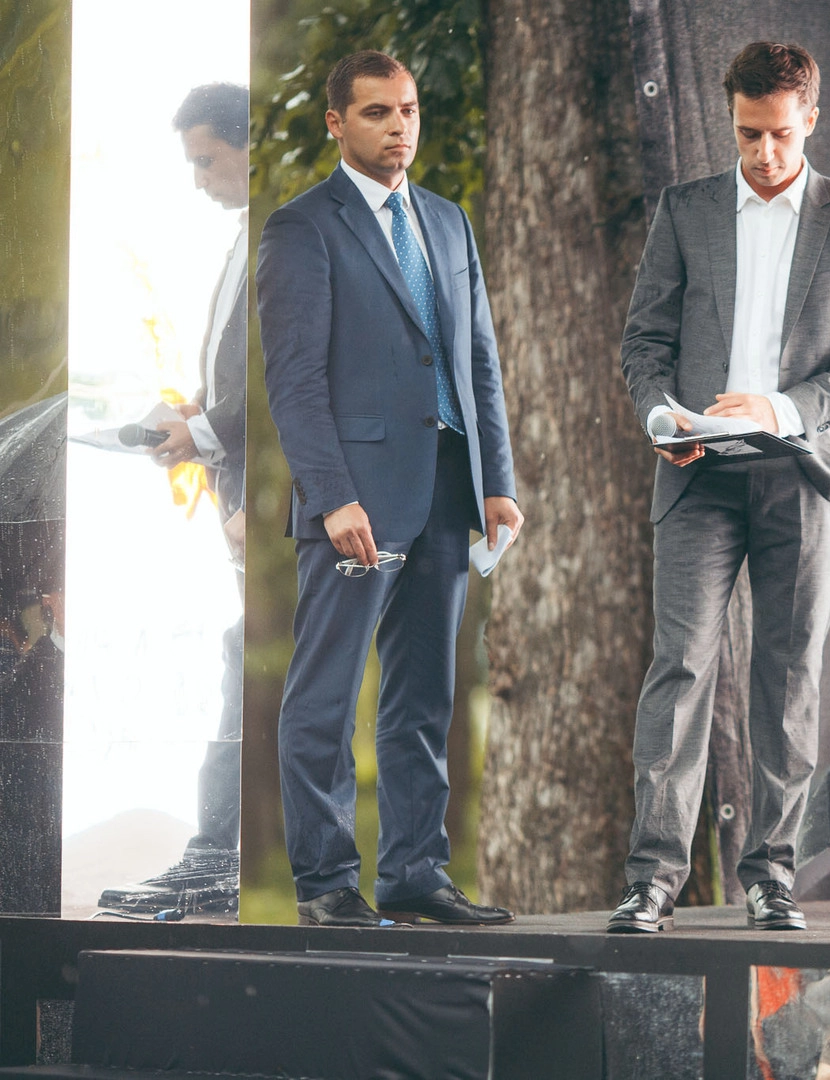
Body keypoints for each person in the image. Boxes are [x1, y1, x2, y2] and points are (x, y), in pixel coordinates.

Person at [611, 41, 830, 933]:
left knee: (788, 676)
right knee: (680, 668)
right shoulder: (686, 209)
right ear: (731, 120)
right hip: (697, 472)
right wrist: (659, 416)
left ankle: (773, 875)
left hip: (804, 472)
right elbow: (645, 342)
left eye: (780, 133)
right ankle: (653, 879)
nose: (764, 152)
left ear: (810, 118)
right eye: (747, 133)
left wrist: (782, 408)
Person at [257, 50, 524, 927]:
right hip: (355, 504)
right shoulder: (302, 228)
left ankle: (415, 874)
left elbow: (478, 360)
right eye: (377, 112)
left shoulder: (447, 221)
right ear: (337, 123)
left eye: (407, 109)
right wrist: (331, 495)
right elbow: (295, 382)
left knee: (424, 699)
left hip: (447, 491)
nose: (399, 125)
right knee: (326, 698)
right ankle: (326, 883)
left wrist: (496, 479)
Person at [98, 83, 250, 916]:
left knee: (250, 661)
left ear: (249, 146)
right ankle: (220, 857)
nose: (198, 180)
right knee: (252, 663)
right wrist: (195, 417)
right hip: (245, 497)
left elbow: (294, 380)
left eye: (206, 161)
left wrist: (213, 436)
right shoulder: (246, 240)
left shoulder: (288, 240)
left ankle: (217, 858)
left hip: (275, 504)